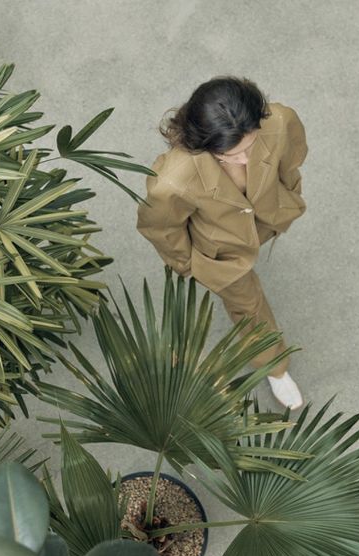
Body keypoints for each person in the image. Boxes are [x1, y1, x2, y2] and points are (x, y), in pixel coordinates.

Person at [137, 76, 308, 409]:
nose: (245, 159)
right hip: (221, 250)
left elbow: (293, 153)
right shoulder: (172, 181)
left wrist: (289, 192)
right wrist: (190, 264)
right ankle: (274, 367)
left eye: (251, 146)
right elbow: (160, 227)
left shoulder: (280, 119)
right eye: (233, 155)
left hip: (267, 216)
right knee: (248, 306)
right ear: (204, 145)